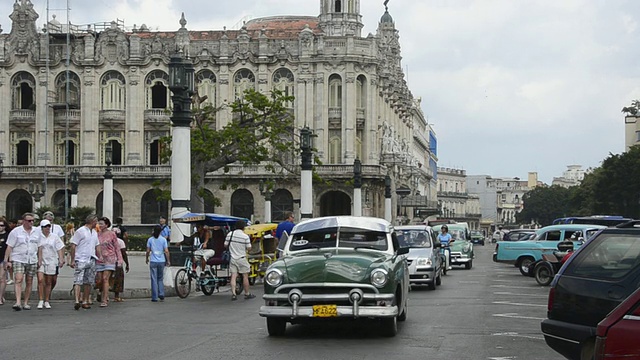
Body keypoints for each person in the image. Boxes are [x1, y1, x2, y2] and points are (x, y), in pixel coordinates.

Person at [4, 213, 40, 310]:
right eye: (29, 221)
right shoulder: (16, 232)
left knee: (29, 281)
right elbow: (9, 246)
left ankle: (26, 302)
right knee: (18, 279)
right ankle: (18, 302)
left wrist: (39, 259)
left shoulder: (37, 231)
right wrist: (6, 260)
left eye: (33, 220)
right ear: (23, 221)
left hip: (32, 259)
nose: (31, 222)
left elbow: (39, 246)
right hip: (18, 258)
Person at [69, 214, 100, 310]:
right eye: (96, 221)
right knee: (78, 280)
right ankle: (77, 300)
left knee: (88, 281)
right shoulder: (80, 231)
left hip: (91, 258)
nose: (97, 223)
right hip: (81, 258)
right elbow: (73, 245)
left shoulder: (94, 232)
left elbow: (97, 245)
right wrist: (72, 259)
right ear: (92, 221)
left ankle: (86, 300)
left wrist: (100, 256)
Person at [36, 219, 65, 309]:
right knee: (40, 280)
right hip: (41, 261)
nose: (47, 228)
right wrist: (39, 260)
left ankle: (47, 300)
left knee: (49, 281)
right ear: (41, 228)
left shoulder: (54, 236)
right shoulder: (38, 236)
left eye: (48, 226)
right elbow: (39, 248)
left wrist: (61, 259)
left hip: (52, 260)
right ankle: (41, 300)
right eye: (45, 226)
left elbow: (59, 248)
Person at [95, 217, 123, 307]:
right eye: (99, 223)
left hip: (110, 259)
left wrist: (120, 260)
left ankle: (105, 299)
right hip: (99, 259)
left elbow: (117, 248)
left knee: (105, 279)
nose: (100, 225)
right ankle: (101, 292)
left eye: (102, 223)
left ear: (106, 225)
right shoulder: (96, 234)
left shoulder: (112, 234)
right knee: (99, 280)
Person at [225, 220, 255, 301]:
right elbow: (249, 248)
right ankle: (247, 293)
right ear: (243, 227)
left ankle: (234, 294)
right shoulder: (245, 236)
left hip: (233, 258)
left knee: (233, 276)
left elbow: (225, 245)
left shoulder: (230, 234)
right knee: (245, 276)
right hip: (242, 258)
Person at [146, 225, 170, 302]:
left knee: (154, 279)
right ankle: (161, 294)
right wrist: (168, 260)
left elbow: (148, 251)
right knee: (160, 278)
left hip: (153, 260)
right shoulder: (163, 240)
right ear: (161, 232)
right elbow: (166, 251)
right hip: (161, 261)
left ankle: (154, 297)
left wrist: (147, 258)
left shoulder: (150, 239)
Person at [111, 217, 130, 302]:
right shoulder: (120, 241)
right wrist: (127, 264)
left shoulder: (108, 240)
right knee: (118, 279)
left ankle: (104, 295)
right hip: (118, 262)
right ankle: (116, 296)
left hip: (108, 262)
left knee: (108, 278)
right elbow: (123, 254)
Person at [0, 218, 9, 305]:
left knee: (2, 278)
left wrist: (8, 260)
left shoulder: (8, 235)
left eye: (2, 225)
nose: (0, 227)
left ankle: (0, 297)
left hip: (3, 259)